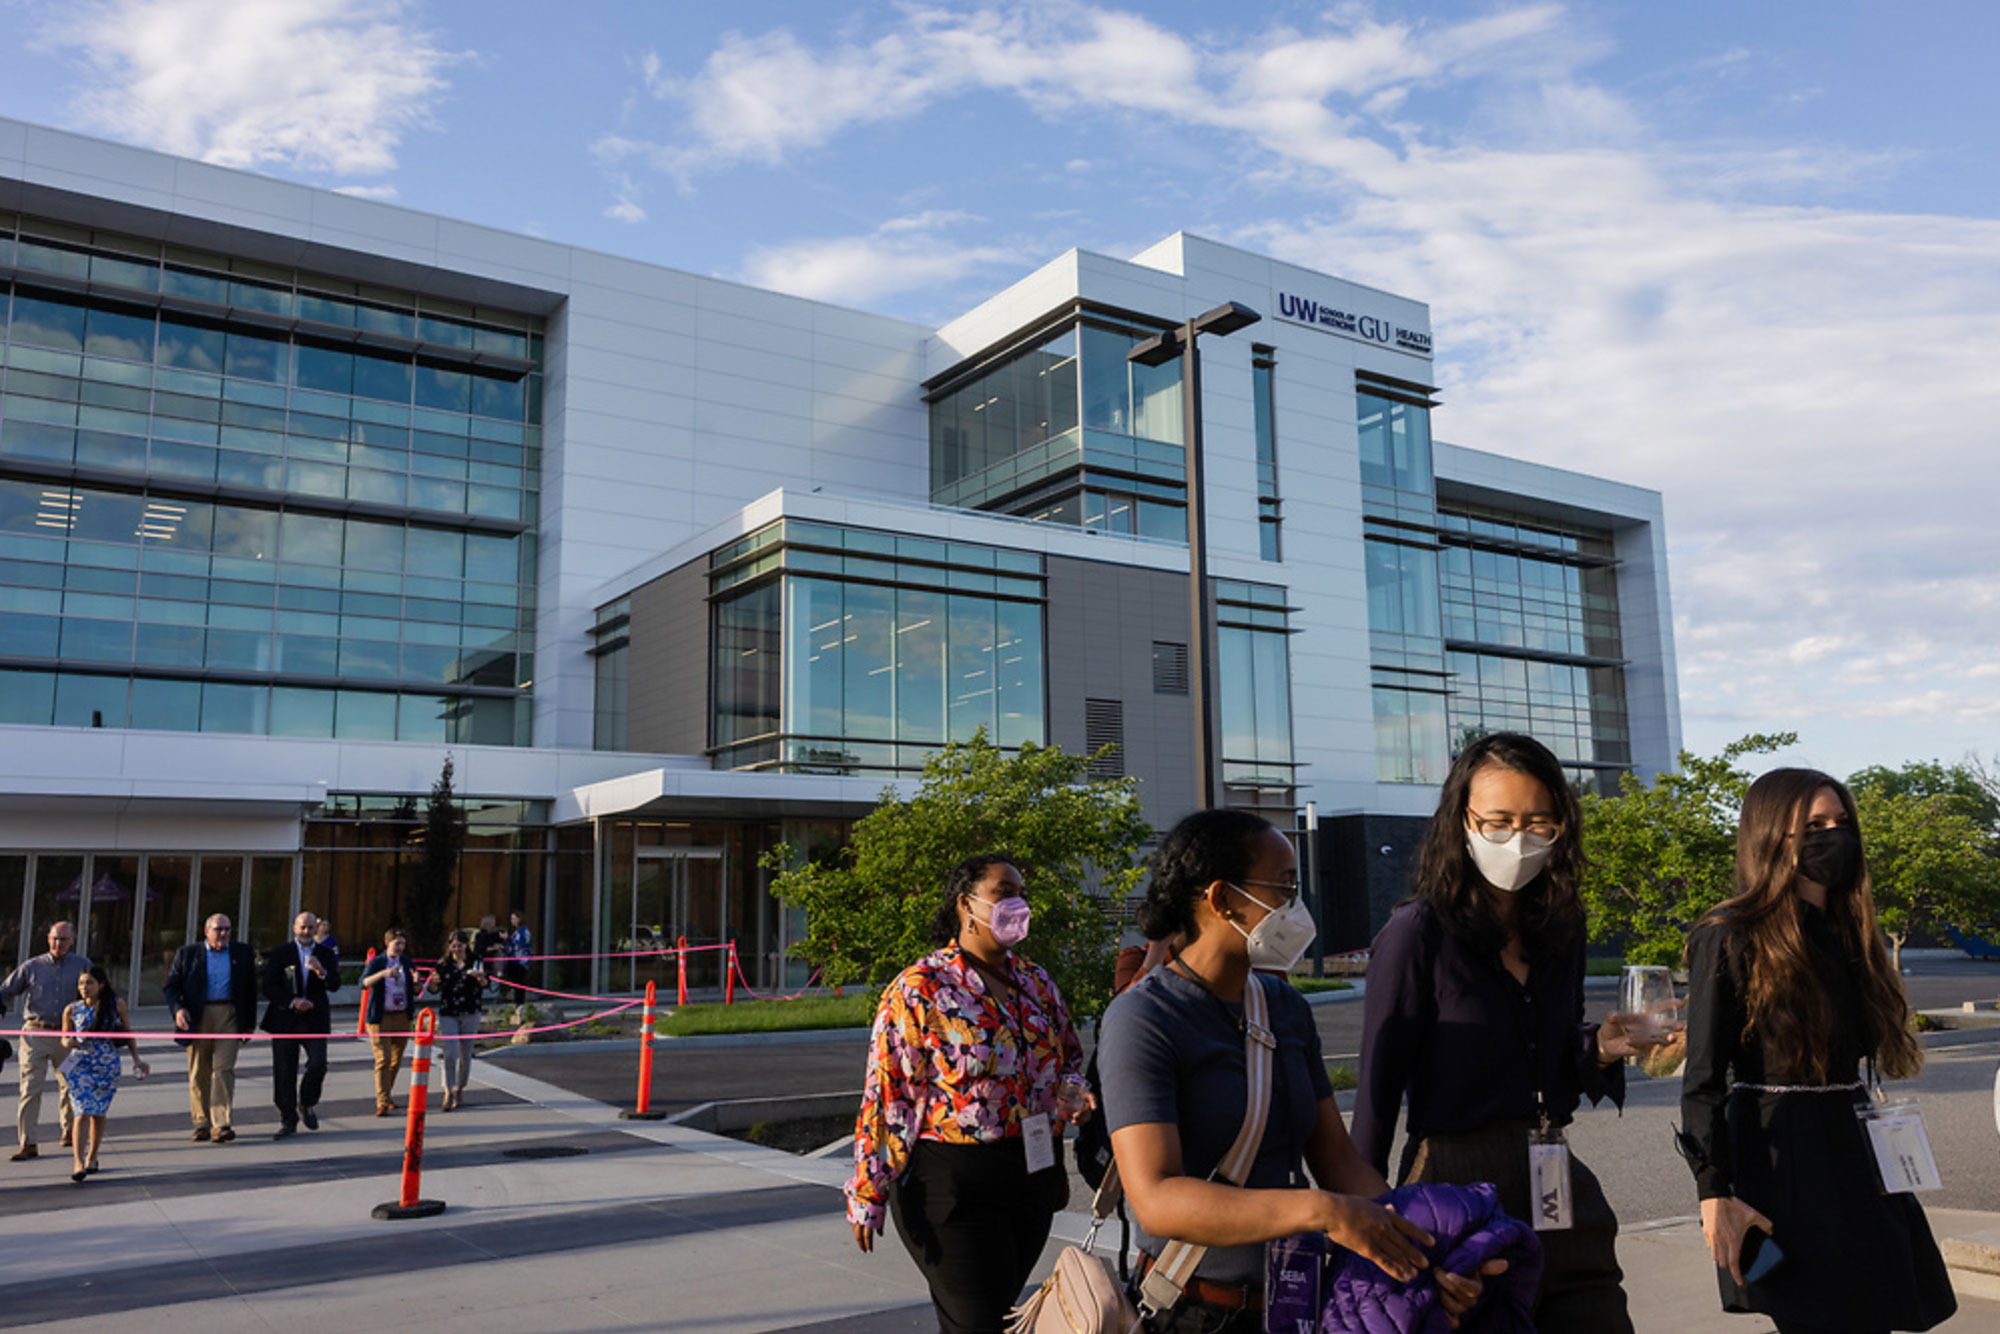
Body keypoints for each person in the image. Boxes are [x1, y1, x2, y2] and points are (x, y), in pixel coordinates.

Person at [1101, 809, 1494, 1333]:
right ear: (1222, 899)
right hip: (1193, 1311)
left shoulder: (1284, 1008)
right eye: (1283, 888)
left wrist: (1425, 1251)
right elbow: (1156, 1200)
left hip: (1296, 1305)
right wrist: (1321, 1212)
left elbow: (1338, 1162)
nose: (1295, 907)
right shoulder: (1144, 1017)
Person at [1353, 732, 1661, 1333]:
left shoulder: (1562, 926)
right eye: (1498, 821)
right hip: (1456, 1189)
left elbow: (1548, 1061)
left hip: (1556, 1178)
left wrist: (1599, 1046)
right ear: (1461, 822)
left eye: (1538, 822)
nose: (1518, 839)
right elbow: (1374, 1094)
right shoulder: (1417, 933)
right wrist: (1368, 1227)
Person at [1679, 768, 1956, 1333]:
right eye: (1813, 825)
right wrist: (1714, 1192)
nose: (1833, 836)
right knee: (1815, 1313)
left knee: (1876, 1306)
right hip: (1780, 1151)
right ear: (1770, 835)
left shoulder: (1852, 932)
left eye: (1841, 823)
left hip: (1856, 1140)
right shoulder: (1730, 934)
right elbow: (1704, 1077)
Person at [846, 855, 1094, 1334]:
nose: (1017, 903)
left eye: (1022, 892)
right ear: (967, 904)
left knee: (997, 1316)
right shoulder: (921, 988)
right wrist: (868, 1188)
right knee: (978, 1322)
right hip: (951, 1183)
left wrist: (1072, 1096)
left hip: (1030, 1176)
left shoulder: (1036, 983)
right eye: (1004, 893)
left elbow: (1068, 1058)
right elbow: (887, 1095)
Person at [161, 913, 258, 1144]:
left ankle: (221, 1124)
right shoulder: (188, 954)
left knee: (224, 1069)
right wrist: (178, 1010)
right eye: (218, 929)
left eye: (227, 929)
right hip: (198, 1016)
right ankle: (201, 1123)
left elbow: (251, 990)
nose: (223, 934)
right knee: (199, 1071)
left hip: (229, 1016)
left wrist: (248, 1026)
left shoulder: (242, 953)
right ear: (207, 931)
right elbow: (171, 987)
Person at [0, 922, 90, 1161]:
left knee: (71, 1084)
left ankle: (70, 1130)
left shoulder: (82, 965)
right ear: (47, 939)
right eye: (54, 938)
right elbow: (5, 992)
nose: (58, 943)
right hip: (35, 1035)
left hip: (67, 1037)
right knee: (30, 1088)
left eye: (63, 939)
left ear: (73, 940)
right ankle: (28, 1142)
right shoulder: (32, 966)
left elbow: (96, 995)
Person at [59, 964, 147, 1182]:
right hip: (79, 1065)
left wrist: (137, 1060)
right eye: (81, 983)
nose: (84, 987)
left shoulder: (116, 1005)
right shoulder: (72, 1009)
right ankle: (78, 1162)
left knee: (98, 1113)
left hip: (106, 1065)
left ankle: (93, 1156)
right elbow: (64, 1037)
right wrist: (67, 1041)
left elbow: (128, 1034)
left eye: (89, 983)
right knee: (81, 1112)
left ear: (101, 984)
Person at [262, 911, 341, 1139]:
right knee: (284, 1070)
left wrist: (321, 971)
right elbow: (268, 986)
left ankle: (306, 1102)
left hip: (314, 1019)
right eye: (302, 927)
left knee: (318, 1064)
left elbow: (335, 984)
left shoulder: (325, 953)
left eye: (310, 927)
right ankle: (288, 1118)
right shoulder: (281, 953)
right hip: (286, 1019)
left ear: (316, 929)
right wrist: (292, 1001)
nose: (306, 932)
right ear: (294, 928)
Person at [424, 930, 488, 1111]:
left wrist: (481, 979)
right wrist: (433, 983)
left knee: (465, 1056)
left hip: (471, 1011)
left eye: (460, 944)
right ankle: (448, 1090)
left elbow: (487, 985)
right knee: (450, 1053)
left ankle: (460, 1088)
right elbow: (434, 989)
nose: (456, 948)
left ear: (467, 945)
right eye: (453, 944)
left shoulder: (475, 961)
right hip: (449, 1012)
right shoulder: (443, 964)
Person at [361, 929, 420, 1116]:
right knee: (383, 1059)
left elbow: (415, 991)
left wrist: (417, 983)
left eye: (403, 943)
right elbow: (363, 983)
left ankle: (387, 1094)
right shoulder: (378, 962)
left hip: (402, 1015)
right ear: (387, 943)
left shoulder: (407, 963)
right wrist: (383, 974)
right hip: (381, 1017)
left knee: (396, 1061)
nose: (401, 947)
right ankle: (383, 1102)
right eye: (397, 944)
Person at [505, 909, 532, 990]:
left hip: (521, 960)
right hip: (515, 959)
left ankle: (520, 1001)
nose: (511, 921)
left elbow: (519, 944)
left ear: (519, 919)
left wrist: (508, 939)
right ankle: (518, 1001)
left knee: (520, 982)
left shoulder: (523, 931)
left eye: (513, 919)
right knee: (516, 981)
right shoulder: (517, 932)